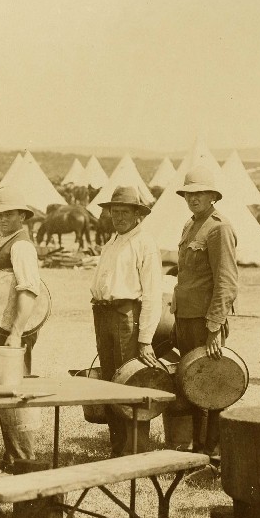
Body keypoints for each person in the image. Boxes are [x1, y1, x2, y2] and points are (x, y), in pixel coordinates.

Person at [89, 186, 162, 456]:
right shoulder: (113, 241)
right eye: (114, 211)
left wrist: (145, 340)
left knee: (130, 382)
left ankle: (135, 450)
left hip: (125, 317)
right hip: (104, 314)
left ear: (137, 214)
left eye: (124, 212)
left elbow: (153, 294)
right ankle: (117, 446)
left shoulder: (144, 242)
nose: (118, 217)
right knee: (110, 383)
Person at [172, 165, 239, 456]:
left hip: (205, 321)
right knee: (190, 382)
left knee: (211, 384)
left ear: (213, 195)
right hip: (185, 318)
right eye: (189, 193)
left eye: (200, 193)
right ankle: (196, 446)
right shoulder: (190, 225)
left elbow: (226, 281)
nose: (193, 198)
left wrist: (214, 328)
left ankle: (211, 450)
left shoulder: (219, 227)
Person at [0, 186, 44, 470]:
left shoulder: (21, 246)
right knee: (4, 388)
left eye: (9, 213)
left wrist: (17, 332)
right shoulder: (5, 241)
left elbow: (29, 290)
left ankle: (24, 459)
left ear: (22, 215)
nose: (3, 219)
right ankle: (13, 456)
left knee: (14, 391)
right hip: (4, 328)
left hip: (14, 332)